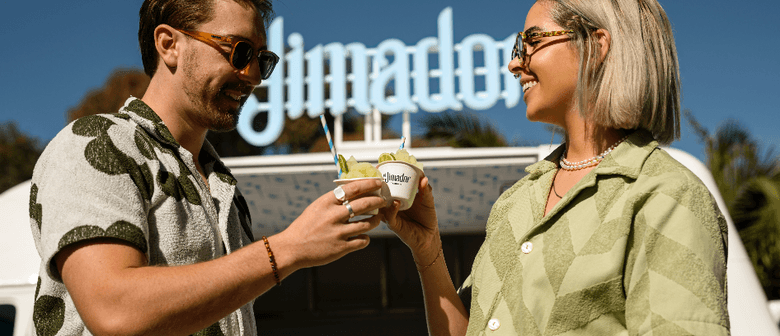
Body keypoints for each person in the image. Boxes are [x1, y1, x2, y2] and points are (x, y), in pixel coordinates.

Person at [28, 0, 386, 334]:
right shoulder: (99, 142)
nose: (253, 75)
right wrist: (287, 249)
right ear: (169, 44)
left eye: (262, 59)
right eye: (239, 51)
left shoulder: (222, 185)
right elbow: (114, 309)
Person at [382, 0, 730, 335]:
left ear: (596, 45)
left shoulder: (665, 194)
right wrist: (428, 251)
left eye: (532, 41)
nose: (514, 64)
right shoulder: (514, 203)